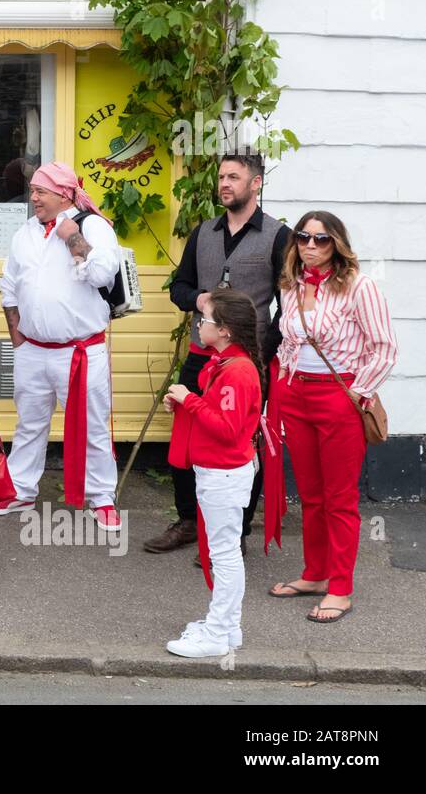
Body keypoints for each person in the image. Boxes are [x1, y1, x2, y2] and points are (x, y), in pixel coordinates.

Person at [146, 150, 288, 558]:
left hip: (247, 363)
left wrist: (265, 349)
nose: (224, 184)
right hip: (199, 353)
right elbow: (179, 288)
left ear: (255, 183)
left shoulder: (279, 235)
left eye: (233, 177)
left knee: (243, 443)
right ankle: (189, 520)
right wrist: (198, 297)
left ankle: (235, 533)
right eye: (221, 177)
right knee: (186, 440)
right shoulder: (203, 232)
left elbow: (287, 303)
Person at [267, 211, 396, 624]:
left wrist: (359, 392)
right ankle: (315, 573)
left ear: (336, 244)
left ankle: (340, 588)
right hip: (297, 395)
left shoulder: (360, 287)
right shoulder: (291, 285)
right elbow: (289, 341)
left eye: (321, 240)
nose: (309, 245)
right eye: (303, 237)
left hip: (339, 396)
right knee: (309, 493)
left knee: (340, 499)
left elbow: (384, 347)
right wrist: (284, 384)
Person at [0, 161, 122, 528]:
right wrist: (18, 338)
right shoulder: (26, 232)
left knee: (92, 425)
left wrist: (71, 236)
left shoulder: (93, 227)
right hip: (33, 350)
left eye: (40, 191)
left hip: (81, 350)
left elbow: (104, 273)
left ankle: (101, 496)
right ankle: (20, 489)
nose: (33, 198)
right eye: (32, 191)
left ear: (63, 194)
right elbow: (10, 285)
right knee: (29, 424)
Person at [163, 290, 263, 657]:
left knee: (223, 554)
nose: (200, 325)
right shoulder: (230, 364)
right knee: (223, 552)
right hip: (219, 471)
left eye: (205, 321)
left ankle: (219, 632)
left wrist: (189, 400)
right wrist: (187, 401)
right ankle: (225, 627)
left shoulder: (236, 371)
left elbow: (227, 428)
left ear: (224, 330)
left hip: (223, 473)